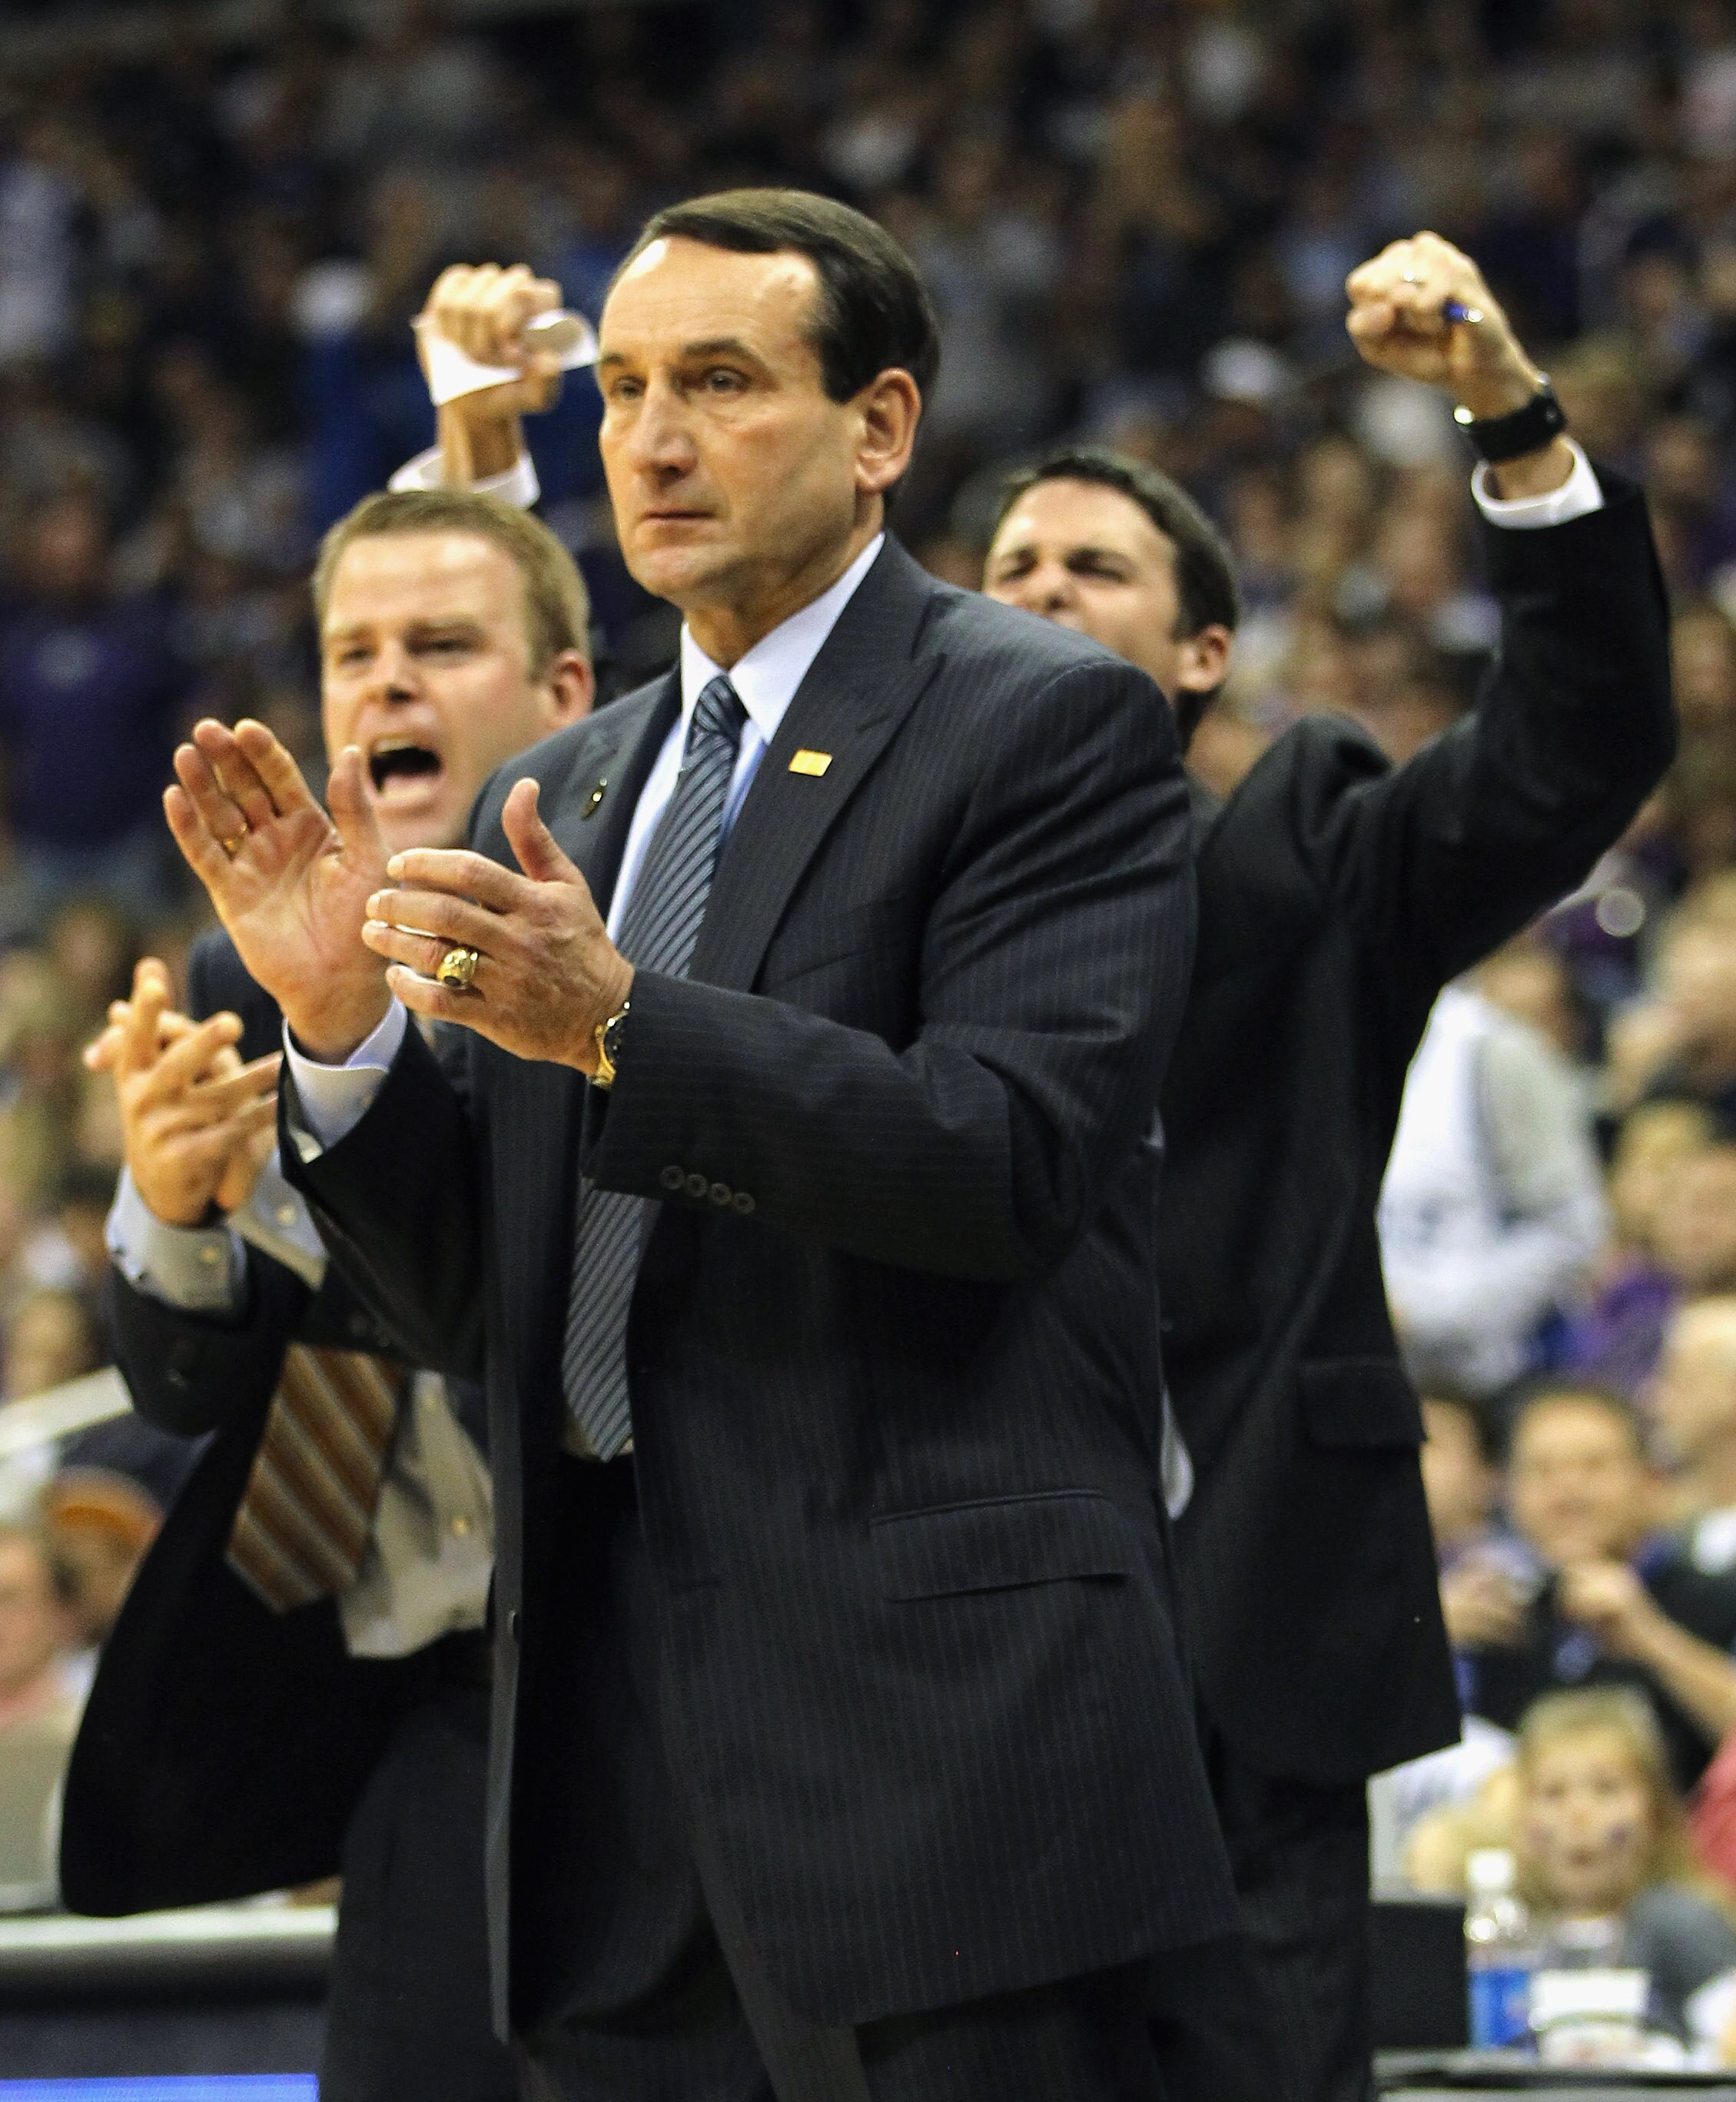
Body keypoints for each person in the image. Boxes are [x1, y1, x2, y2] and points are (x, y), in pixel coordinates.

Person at [161, 188, 1266, 2102]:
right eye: (629, 390)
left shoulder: (1039, 720)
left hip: (929, 1756)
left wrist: (616, 1023)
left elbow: (1000, 1158)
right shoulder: (557, 787)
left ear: (880, 429)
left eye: (724, 383)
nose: (653, 438)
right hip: (598, 1749)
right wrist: (337, 1033)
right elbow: (472, 1310)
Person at [981, 228, 1675, 2102]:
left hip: (1244, 1638)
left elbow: (1575, 743)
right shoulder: (866, 908)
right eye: (1009, 569)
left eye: (1091, 568)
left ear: (1201, 651)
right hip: (956, 1667)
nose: (1038, 587)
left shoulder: (1300, 861)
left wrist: (1508, 417)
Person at [58, 270, 591, 2102]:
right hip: (414, 1714)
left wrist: (485, 451)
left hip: (650, 1687)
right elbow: (190, 1387)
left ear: (566, 691)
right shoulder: (239, 978)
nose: (383, 684)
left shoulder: (646, 931)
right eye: (352, 654)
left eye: (437, 649)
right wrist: (173, 1216)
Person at [1468, 1383, 1736, 1794]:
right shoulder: (1499, 1621)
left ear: (1651, 1482)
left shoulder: (1716, 1596)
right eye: (1541, 1470)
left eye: (1594, 1466)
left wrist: (1652, 1639)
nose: (1567, 1492)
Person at [1379, 980, 1607, 1398]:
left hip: (1483, 1385)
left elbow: (1571, 1231)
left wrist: (1423, 1312)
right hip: (1349, 1383)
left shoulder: (1489, 1051)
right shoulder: (1297, 1054)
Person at [1515, 1688, 1736, 2043]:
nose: (1578, 1815)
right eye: (1554, 1793)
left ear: (1654, 1811)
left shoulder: (1681, 1924)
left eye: (1606, 1790)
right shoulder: (1509, 1938)